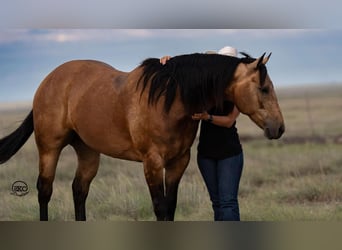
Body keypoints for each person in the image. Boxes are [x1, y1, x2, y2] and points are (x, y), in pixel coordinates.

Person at [160, 46, 244, 221]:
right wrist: (170, 61)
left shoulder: (237, 94)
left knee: (228, 202)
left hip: (229, 153)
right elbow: (186, 76)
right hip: (206, 154)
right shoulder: (205, 88)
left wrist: (207, 117)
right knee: (217, 202)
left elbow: (229, 121)